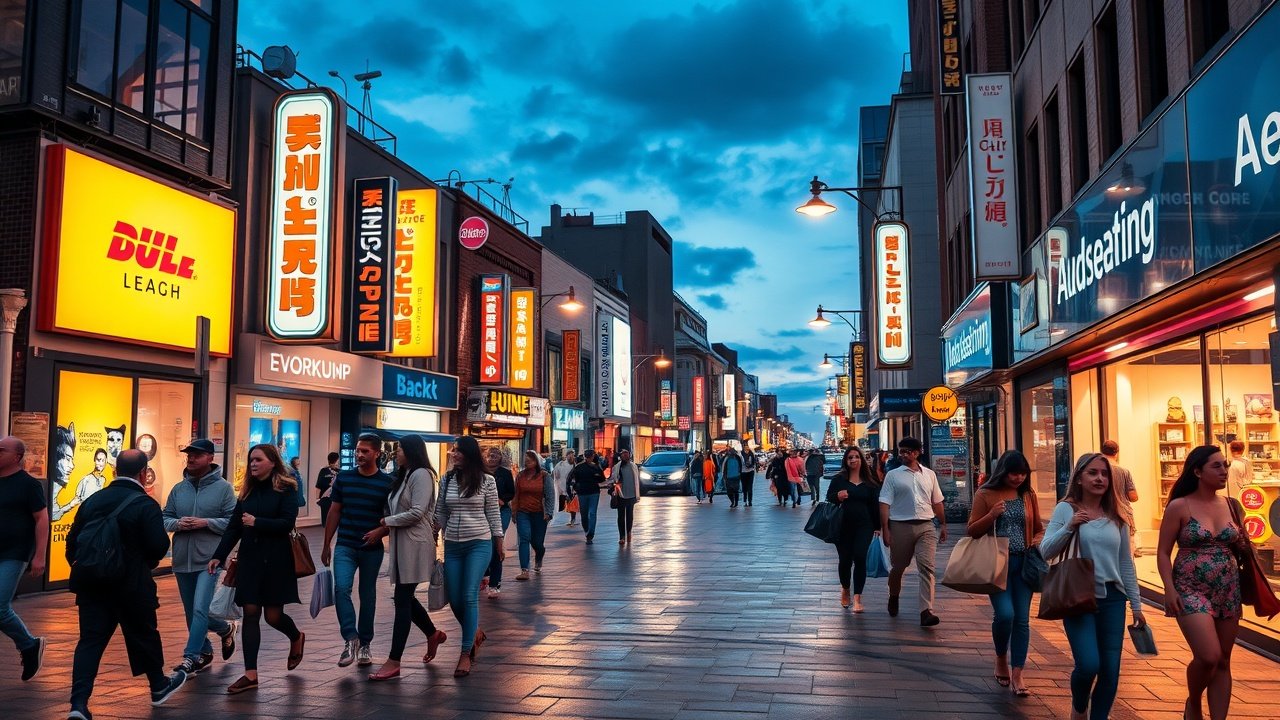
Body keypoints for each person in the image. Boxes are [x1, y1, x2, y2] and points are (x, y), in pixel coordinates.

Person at [66, 449, 187, 718]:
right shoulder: (145, 504)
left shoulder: (93, 501)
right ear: (143, 473)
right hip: (132, 585)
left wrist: (93, 567)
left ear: (114, 470)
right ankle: (158, 685)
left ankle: (78, 704)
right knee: (143, 634)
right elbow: (158, 546)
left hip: (93, 586)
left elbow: (72, 544)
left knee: (90, 642)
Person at [1042, 452, 1146, 720]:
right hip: (1079, 595)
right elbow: (1045, 551)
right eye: (1093, 473)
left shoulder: (1117, 514)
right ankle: (1079, 707)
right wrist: (1069, 527)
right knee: (1088, 665)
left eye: (1104, 474)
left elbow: (1125, 563)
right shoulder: (1066, 509)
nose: (1100, 478)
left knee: (1110, 671)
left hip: (1113, 598)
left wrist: (1136, 605)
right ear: (1079, 478)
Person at [1157, 446, 1249, 720]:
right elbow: (1163, 552)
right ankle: (1194, 702)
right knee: (1208, 656)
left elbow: (1243, 546)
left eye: (1225, 465)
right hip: (1189, 588)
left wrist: (1243, 544)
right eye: (1216, 466)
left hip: (1228, 588)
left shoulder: (1232, 505)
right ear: (1197, 471)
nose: (1224, 471)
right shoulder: (1179, 506)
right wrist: (1169, 589)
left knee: (1223, 660)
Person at [208, 444, 305, 694]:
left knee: (273, 616)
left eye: (258, 459)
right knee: (250, 612)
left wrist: (256, 522)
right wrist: (218, 555)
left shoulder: (286, 488)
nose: (253, 463)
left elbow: (286, 523)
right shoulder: (247, 492)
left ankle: (296, 636)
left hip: (276, 560)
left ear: (272, 462)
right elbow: (234, 527)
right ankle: (250, 674)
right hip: (250, 559)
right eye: (251, 459)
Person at [367, 434, 446, 681]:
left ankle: (394, 660)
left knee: (402, 599)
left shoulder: (421, 474)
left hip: (415, 544)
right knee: (404, 597)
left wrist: (386, 522)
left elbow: (417, 511)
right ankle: (432, 634)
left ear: (411, 451)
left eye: (400, 449)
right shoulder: (406, 474)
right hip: (402, 543)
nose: (396, 452)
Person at [966, 450, 1045, 697]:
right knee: (1005, 615)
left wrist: (1036, 540)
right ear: (1003, 471)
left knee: (1021, 619)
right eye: (1014, 473)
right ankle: (1001, 657)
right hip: (997, 563)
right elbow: (972, 530)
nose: (1018, 478)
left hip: (1024, 563)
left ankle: (1018, 672)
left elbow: (1039, 528)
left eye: (1023, 474)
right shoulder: (986, 494)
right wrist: (991, 515)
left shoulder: (1028, 494)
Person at [161, 438, 237, 675]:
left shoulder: (224, 489)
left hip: (209, 559)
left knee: (200, 610)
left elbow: (233, 523)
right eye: (189, 455)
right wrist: (178, 524)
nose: (191, 458)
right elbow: (164, 518)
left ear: (210, 458)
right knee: (191, 612)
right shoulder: (178, 489)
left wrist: (206, 522)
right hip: (182, 559)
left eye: (197, 454)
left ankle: (190, 657)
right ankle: (221, 634)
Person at [320, 433, 394, 668]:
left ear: (377, 454)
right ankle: (350, 637)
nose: (359, 454)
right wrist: (326, 544)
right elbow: (334, 511)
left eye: (365, 451)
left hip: (372, 548)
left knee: (367, 594)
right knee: (341, 588)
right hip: (345, 545)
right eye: (358, 450)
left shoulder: (387, 483)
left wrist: (381, 532)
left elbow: (394, 518)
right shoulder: (345, 478)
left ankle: (365, 644)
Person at [433, 436, 504, 678]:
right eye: (453, 451)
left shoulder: (487, 481)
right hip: (453, 545)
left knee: (469, 594)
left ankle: (465, 652)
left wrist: (499, 542)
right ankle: (475, 632)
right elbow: (441, 511)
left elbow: (493, 513)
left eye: (458, 451)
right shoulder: (447, 479)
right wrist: (434, 533)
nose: (454, 454)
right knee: (454, 598)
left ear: (469, 454)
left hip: (479, 543)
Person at [879, 436, 947, 627]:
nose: (902, 455)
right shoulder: (893, 475)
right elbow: (884, 503)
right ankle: (894, 595)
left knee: (927, 567)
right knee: (898, 567)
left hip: (926, 525)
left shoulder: (929, 475)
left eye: (906, 451)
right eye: (900, 451)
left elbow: (937, 501)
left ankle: (926, 611)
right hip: (900, 525)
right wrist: (885, 529)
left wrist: (943, 524)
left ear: (917, 453)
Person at [0, 436, 48, 681]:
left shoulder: (28, 485)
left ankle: (29, 645)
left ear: (16, 456)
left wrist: (39, 556)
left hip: (14, 553)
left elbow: (42, 519)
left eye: (1, 450)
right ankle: (29, 645)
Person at [827, 446, 881, 613]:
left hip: (864, 526)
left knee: (860, 557)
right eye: (850, 457)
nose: (853, 460)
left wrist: (878, 526)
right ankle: (845, 588)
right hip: (842, 525)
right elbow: (829, 498)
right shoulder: (839, 479)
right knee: (845, 560)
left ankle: (857, 598)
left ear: (861, 459)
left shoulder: (870, 480)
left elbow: (875, 505)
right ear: (846, 460)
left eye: (856, 457)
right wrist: (838, 496)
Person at [513, 450, 555, 577]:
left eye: (530, 460)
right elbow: (516, 495)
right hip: (523, 512)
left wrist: (549, 512)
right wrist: (514, 512)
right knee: (524, 538)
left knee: (537, 543)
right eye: (525, 460)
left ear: (536, 461)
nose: (527, 462)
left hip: (539, 513)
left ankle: (539, 555)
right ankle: (524, 569)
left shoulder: (544, 476)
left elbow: (550, 495)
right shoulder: (520, 476)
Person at [482, 447, 515, 597]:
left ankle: (495, 582)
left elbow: (511, 492)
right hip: (482, 513)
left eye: (496, 455)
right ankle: (485, 574)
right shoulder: (479, 473)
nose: (492, 457)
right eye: (490, 455)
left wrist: (503, 500)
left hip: (501, 510)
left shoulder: (505, 473)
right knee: (485, 544)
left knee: (496, 542)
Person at [1100, 440, 1139, 556]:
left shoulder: (1098, 470)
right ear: (1116, 453)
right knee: (1126, 553)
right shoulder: (1124, 471)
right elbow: (1133, 497)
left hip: (1102, 514)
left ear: (1102, 452)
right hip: (1123, 516)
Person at [52, 448, 108, 521]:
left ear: (106, 461)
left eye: (103, 460)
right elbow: (77, 500)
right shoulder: (86, 480)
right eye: (98, 460)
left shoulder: (103, 480)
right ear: (94, 460)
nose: (100, 463)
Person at [571, 451, 608, 543]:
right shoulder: (595, 467)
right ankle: (589, 532)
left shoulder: (579, 467)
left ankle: (589, 532)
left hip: (585, 492)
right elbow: (602, 479)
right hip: (591, 492)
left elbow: (573, 479)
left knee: (587, 513)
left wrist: (575, 489)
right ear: (592, 456)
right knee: (590, 513)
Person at [612, 449, 640, 544]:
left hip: (632, 494)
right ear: (620, 456)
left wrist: (637, 493)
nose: (625, 456)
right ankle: (622, 536)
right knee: (620, 516)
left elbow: (637, 480)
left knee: (629, 515)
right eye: (623, 455)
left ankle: (629, 532)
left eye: (627, 454)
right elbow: (613, 478)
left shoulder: (633, 466)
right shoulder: (617, 467)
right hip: (620, 494)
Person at [553, 450, 578, 526]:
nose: (571, 457)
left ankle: (572, 519)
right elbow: (556, 474)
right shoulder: (560, 464)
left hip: (571, 488)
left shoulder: (575, 465)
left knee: (572, 503)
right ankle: (564, 519)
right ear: (566, 456)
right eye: (570, 455)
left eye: (572, 456)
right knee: (563, 503)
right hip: (562, 487)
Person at [316, 451, 340, 526]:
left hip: (335, 498)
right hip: (326, 498)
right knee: (326, 520)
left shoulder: (339, 471)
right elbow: (319, 485)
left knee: (333, 520)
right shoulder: (324, 470)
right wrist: (317, 498)